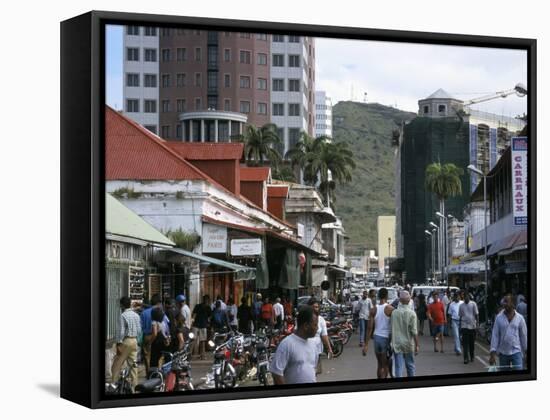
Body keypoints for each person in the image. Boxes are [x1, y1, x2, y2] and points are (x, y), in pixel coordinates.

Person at [270, 305, 319, 385]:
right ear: (306, 326)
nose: (317, 328)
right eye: (315, 325)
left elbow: (313, 368)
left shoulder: (313, 344)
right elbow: (276, 373)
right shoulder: (287, 344)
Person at [489, 294, 527, 371]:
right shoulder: (499, 317)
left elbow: (523, 336)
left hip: (517, 352)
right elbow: (495, 335)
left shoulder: (520, 318)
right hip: (503, 353)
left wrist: (526, 351)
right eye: (504, 302)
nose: (504, 304)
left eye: (506, 302)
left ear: (513, 304)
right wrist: (493, 353)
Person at [111, 296, 142, 391]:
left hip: (126, 341)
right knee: (133, 366)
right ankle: (135, 388)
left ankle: (114, 385)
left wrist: (118, 344)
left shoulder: (123, 315)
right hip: (134, 341)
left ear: (122, 305)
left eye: (120, 304)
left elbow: (121, 332)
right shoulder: (136, 315)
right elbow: (139, 330)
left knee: (117, 364)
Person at [367, 288, 394, 378]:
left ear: (378, 296)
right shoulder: (390, 309)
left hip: (376, 338)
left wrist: (366, 344)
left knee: (379, 364)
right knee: (385, 364)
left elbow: (370, 327)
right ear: (387, 296)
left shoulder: (373, 309)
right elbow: (395, 325)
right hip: (385, 338)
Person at [390, 291, 419, 377]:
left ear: (400, 300)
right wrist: (417, 345)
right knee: (410, 365)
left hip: (397, 343)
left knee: (398, 367)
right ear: (409, 300)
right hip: (408, 344)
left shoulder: (394, 313)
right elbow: (414, 331)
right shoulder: (412, 314)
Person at [308, 297, 332, 374]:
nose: (316, 309)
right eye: (314, 307)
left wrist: (329, 349)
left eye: (317, 307)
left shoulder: (321, 319)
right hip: (305, 350)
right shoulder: (303, 318)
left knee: (314, 372)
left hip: (316, 351)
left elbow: (324, 336)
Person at [140, 294, 163, 372]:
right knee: (159, 356)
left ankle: (149, 373)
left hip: (147, 336)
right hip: (158, 336)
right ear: (158, 303)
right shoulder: (161, 312)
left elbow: (141, 326)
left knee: (147, 356)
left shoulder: (144, 313)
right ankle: (158, 372)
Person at [458, 291, 479, 364]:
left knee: (471, 343)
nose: (466, 298)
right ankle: (466, 358)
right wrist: (460, 327)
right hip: (464, 326)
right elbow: (460, 316)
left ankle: (472, 356)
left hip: (472, 326)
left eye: (467, 297)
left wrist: (477, 325)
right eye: (464, 297)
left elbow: (476, 315)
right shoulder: (461, 306)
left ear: (469, 297)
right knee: (465, 343)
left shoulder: (473, 304)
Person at [191, 295, 212, 360]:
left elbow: (193, 315)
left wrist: (192, 323)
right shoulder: (208, 307)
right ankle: (202, 356)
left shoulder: (197, 306)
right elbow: (210, 317)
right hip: (203, 326)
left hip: (196, 325)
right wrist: (208, 322)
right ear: (208, 300)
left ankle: (191, 355)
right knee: (202, 341)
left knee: (193, 340)